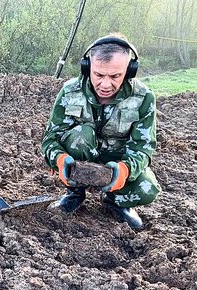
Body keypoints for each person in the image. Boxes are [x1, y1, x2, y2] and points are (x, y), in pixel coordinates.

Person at [41, 33, 161, 230]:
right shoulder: (70, 91)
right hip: (80, 159)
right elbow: (50, 140)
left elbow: (143, 148)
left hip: (117, 161)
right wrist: (60, 160)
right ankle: (74, 194)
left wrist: (124, 170)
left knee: (146, 189)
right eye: (98, 75)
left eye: (115, 76)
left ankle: (114, 200)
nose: (106, 84)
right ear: (87, 67)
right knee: (80, 136)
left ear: (130, 71)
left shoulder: (144, 97)